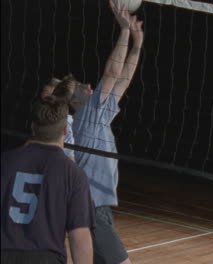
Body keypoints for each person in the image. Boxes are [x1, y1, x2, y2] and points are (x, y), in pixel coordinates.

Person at [65, 0, 144, 263]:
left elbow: (123, 79)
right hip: (91, 207)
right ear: (73, 101)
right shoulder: (86, 117)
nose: (89, 84)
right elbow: (110, 74)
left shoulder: (98, 116)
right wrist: (122, 30)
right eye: (80, 86)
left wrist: (137, 44)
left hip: (97, 207)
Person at [1, 96, 95, 264]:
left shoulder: (5, 161)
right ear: (65, 131)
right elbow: (79, 236)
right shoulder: (73, 174)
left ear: (33, 126)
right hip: (45, 258)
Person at [40, 76, 76, 160]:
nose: (47, 97)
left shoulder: (65, 123)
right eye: (45, 92)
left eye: (51, 94)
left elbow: (70, 158)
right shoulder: (40, 116)